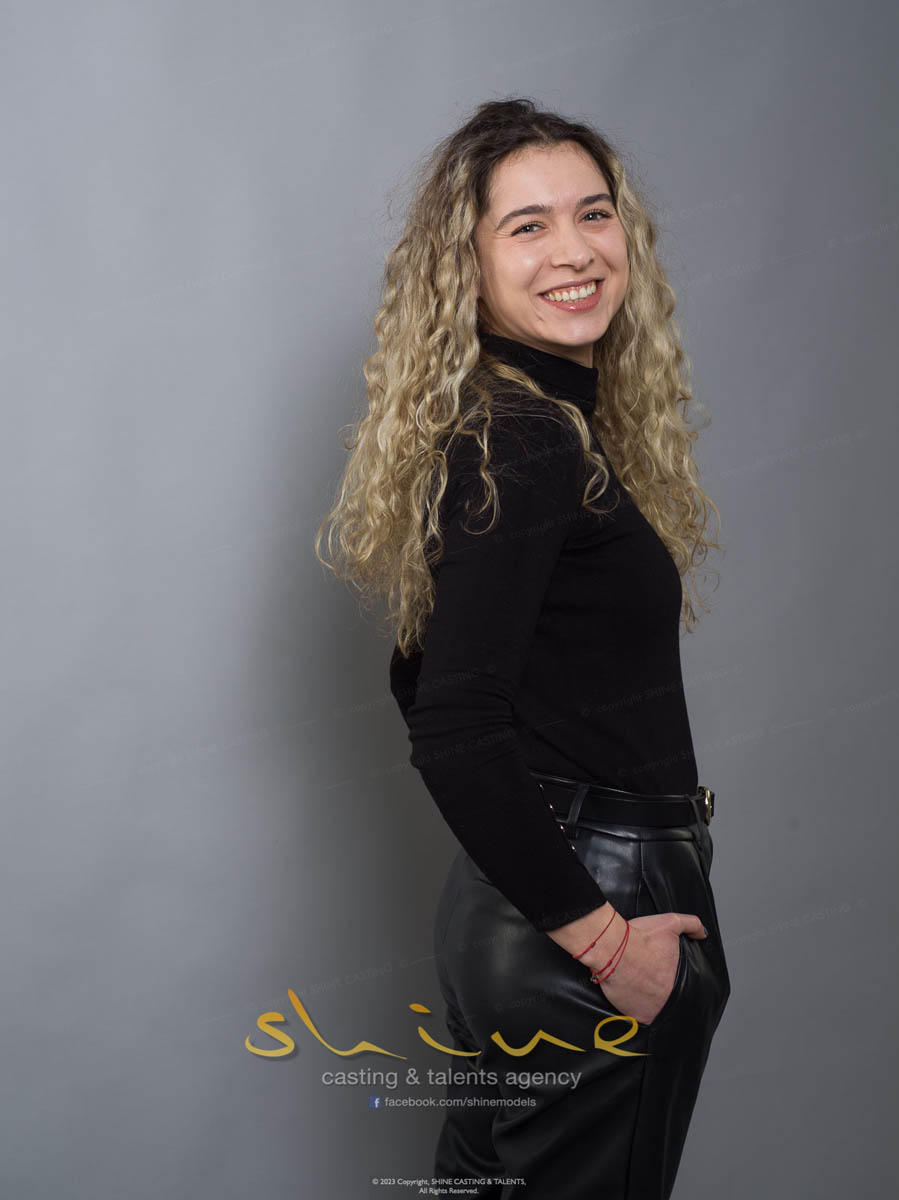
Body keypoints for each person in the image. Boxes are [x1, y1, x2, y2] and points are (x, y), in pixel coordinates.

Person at [315, 97, 731, 1200]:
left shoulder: (516, 425)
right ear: (468, 265)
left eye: (592, 213)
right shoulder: (529, 439)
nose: (574, 250)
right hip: (590, 915)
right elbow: (453, 724)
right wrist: (603, 942)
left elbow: (416, 677)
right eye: (527, 226)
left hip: (514, 910)